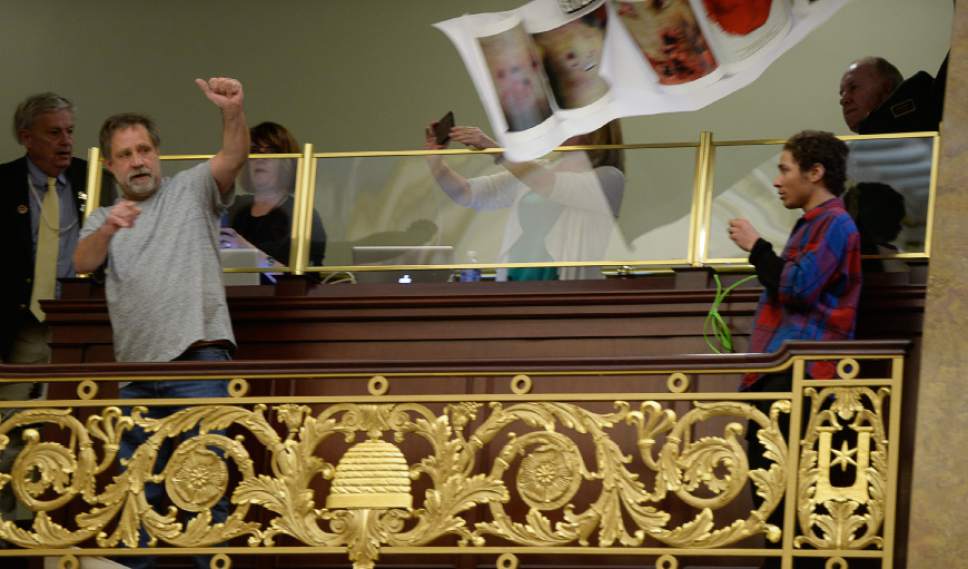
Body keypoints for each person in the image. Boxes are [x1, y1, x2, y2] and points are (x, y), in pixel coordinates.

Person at [73, 77, 249, 569]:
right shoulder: (103, 215)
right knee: (135, 499)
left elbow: (233, 156)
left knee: (205, 491)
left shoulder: (191, 190)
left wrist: (232, 111)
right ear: (110, 165)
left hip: (198, 362)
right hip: (134, 376)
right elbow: (84, 261)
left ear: (158, 154)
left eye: (144, 149)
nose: (138, 161)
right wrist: (110, 226)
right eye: (125, 154)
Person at [728, 130, 861, 569]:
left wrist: (756, 247)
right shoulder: (815, 224)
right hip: (786, 374)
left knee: (793, 498)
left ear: (815, 172)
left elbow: (799, 286)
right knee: (773, 495)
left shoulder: (837, 224)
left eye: (784, 169)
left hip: (805, 377)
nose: (777, 180)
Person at [0, 93, 89, 542]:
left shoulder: (90, 182)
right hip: (16, 329)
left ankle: (47, 525)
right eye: (54, 133)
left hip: (75, 331)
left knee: (63, 428)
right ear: (26, 137)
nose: (66, 141)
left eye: (70, 131)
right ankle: (5, 528)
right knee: (9, 427)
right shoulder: (3, 184)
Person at [424, 120, 624, 281]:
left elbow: (547, 184)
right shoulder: (537, 169)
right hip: (516, 279)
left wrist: (494, 148)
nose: (556, 125)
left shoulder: (609, 178)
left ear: (595, 128)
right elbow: (469, 193)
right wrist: (436, 164)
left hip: (564, 286)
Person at [221, 121, 326, 278]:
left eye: (271, 151)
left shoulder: (301, 216)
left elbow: (304, 280)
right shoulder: (233, 208)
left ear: (287, 163)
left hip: (280, 300)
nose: (260, 159)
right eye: (254, 151)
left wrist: (247, 250)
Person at [839, 57, 904, 133]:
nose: (843, 100)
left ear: (887, 87)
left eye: (853, 87)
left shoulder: (919, 139)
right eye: (842, 93)